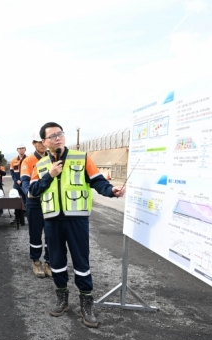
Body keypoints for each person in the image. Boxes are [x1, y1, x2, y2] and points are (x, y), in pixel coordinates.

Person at [29, 122, 126, 328]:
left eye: (60, 134)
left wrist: (111, 191)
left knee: (81, 262)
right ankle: (62, 298)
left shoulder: (81, 158)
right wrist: (50, 175)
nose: (57, 138)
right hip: (53, 220)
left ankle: (86, 303)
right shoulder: (40, 166)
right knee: (56, 261)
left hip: (77, 219)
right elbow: (33, 189)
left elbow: (98, 181)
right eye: (52, 136)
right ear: (44, 142)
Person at [20, 133, 53, 279]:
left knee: (51, 233)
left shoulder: (52, 158)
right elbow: (25, 181)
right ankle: (36, 260)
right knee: (35, 233)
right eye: (38, 142)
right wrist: (30, 192)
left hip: (50, 201)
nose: (41, 144)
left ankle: (49, 262)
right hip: (34, 202)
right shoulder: (28, 161)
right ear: (33, 143)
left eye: (43, 141)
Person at [9, 144, 27, 226]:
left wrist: (24, 181)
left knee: (25, 200)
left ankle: (23, 217)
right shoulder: (13, 161)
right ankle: (17, 218)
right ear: (17, 150)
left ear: (25, 149)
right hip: (16, 184)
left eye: (22, 148)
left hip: (25, 183)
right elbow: (12, 173)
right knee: (16, 201)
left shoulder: (28, 159)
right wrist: (16, 180)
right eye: (19, 148)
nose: (21, 150)